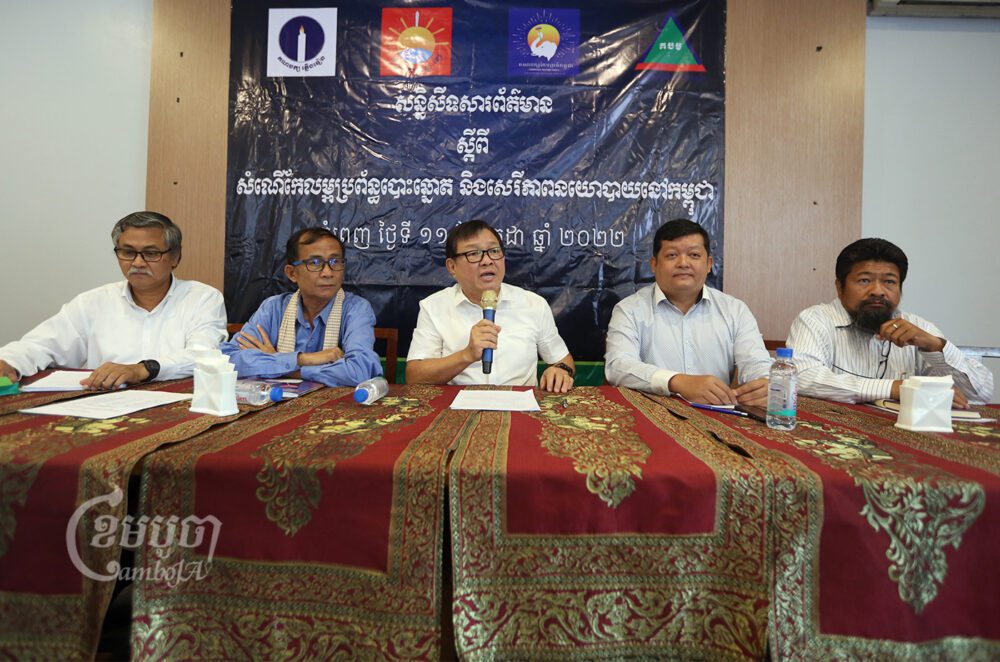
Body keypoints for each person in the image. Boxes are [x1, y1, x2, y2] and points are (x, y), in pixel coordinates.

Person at [0, 211, 226, 389]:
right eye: (128, 252)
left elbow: (204, 355)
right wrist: (10, 362)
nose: (137, 263)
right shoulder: (93, 302)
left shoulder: (202, 298)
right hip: (101, 405)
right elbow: (41, 344)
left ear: (175, 257)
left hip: (178, 409)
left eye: (150, 253)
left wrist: (141, 370)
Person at [786, 237, 992, 406]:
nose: (877, 291)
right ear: (840, 287)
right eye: (865, 280)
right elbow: (801, 378)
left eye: (889, 282)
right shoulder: (816, 320)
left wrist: (936, 346)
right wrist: (895, 388)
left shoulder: (919, 329)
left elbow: (979, 395)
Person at [605, 218, 772, 405]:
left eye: (693, 255)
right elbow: (618, 367)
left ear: (709, 264)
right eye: (671, 255)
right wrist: (677, 382)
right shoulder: (629, 310)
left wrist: (765, 382)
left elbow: (756, 361)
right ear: (654, 264)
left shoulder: (735, 310)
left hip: (718, 417)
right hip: (653, 416)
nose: (683, 263)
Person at [406, 220, 575, 392]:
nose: (487, 261)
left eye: (494, 251)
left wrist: (560, 371)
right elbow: (415, 376)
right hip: (457, 408)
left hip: (520, 409)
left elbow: (563, 360)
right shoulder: (434, 307)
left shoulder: (534, 304)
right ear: (452, 267)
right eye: (473, 253)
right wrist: (467, 355)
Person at [221, 227, 382, 387]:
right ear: (292, 273)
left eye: (335, 261)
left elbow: (360, 372)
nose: (328, 272)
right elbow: (227, 360)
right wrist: (303, 359)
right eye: (315, 263)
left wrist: (285, 366)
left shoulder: (356, 309)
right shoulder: (273, 308)